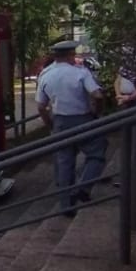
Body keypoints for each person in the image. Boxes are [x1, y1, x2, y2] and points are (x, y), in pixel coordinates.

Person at [37, 39, 106, 217]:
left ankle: (66, 206)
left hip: (60, 121)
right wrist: (96, 114)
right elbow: (97, 95)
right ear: (70, 55)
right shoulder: (80, 73)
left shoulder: (45, 75)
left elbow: (41, 106)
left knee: (64, 162)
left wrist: (50, 124)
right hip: (82, 119)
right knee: (97, 152)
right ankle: (83, 188)